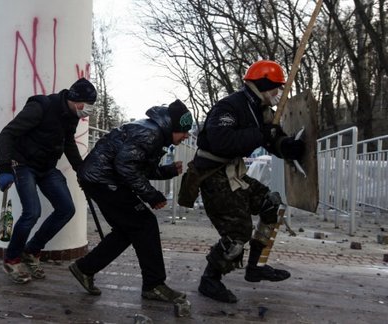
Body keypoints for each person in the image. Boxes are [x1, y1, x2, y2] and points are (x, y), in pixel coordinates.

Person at [190, 60, 305, 303]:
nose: (278, 93)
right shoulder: (230, 107)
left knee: (270, 204)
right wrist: (262, 134)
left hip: (233, 173)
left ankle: (255, 267)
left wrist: (287, 147)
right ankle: (210, 280)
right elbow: (222, 141)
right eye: (276, 87)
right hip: (213, 175)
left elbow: (273, 138)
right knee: (237, 233)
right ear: (263, 84)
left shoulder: (261, 109)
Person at [69, 100, 193, 303]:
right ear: (173, 127)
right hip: (103, 181)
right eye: (184, 131)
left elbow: (138, 166)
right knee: (145, 224)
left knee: (128, 230)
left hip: (101, 179)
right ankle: (154, 285)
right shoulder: (150, 134)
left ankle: (85, 268)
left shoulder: (154, 132)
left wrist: (168, 171)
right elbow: (126, 167)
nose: (186, 135)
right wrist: (151, 196)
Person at [0, 78, 97, 283]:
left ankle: (31, 251)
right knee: (32, 212)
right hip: (23, 164)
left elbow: (68, 142)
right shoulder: (41, 107)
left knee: (66, 209)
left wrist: (81, 170)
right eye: (87, 104)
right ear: (75, 99)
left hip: (46, 168)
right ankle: (12, 258)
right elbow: (7, 133)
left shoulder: (72, 115)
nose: (88, 110)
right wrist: (4, 168)